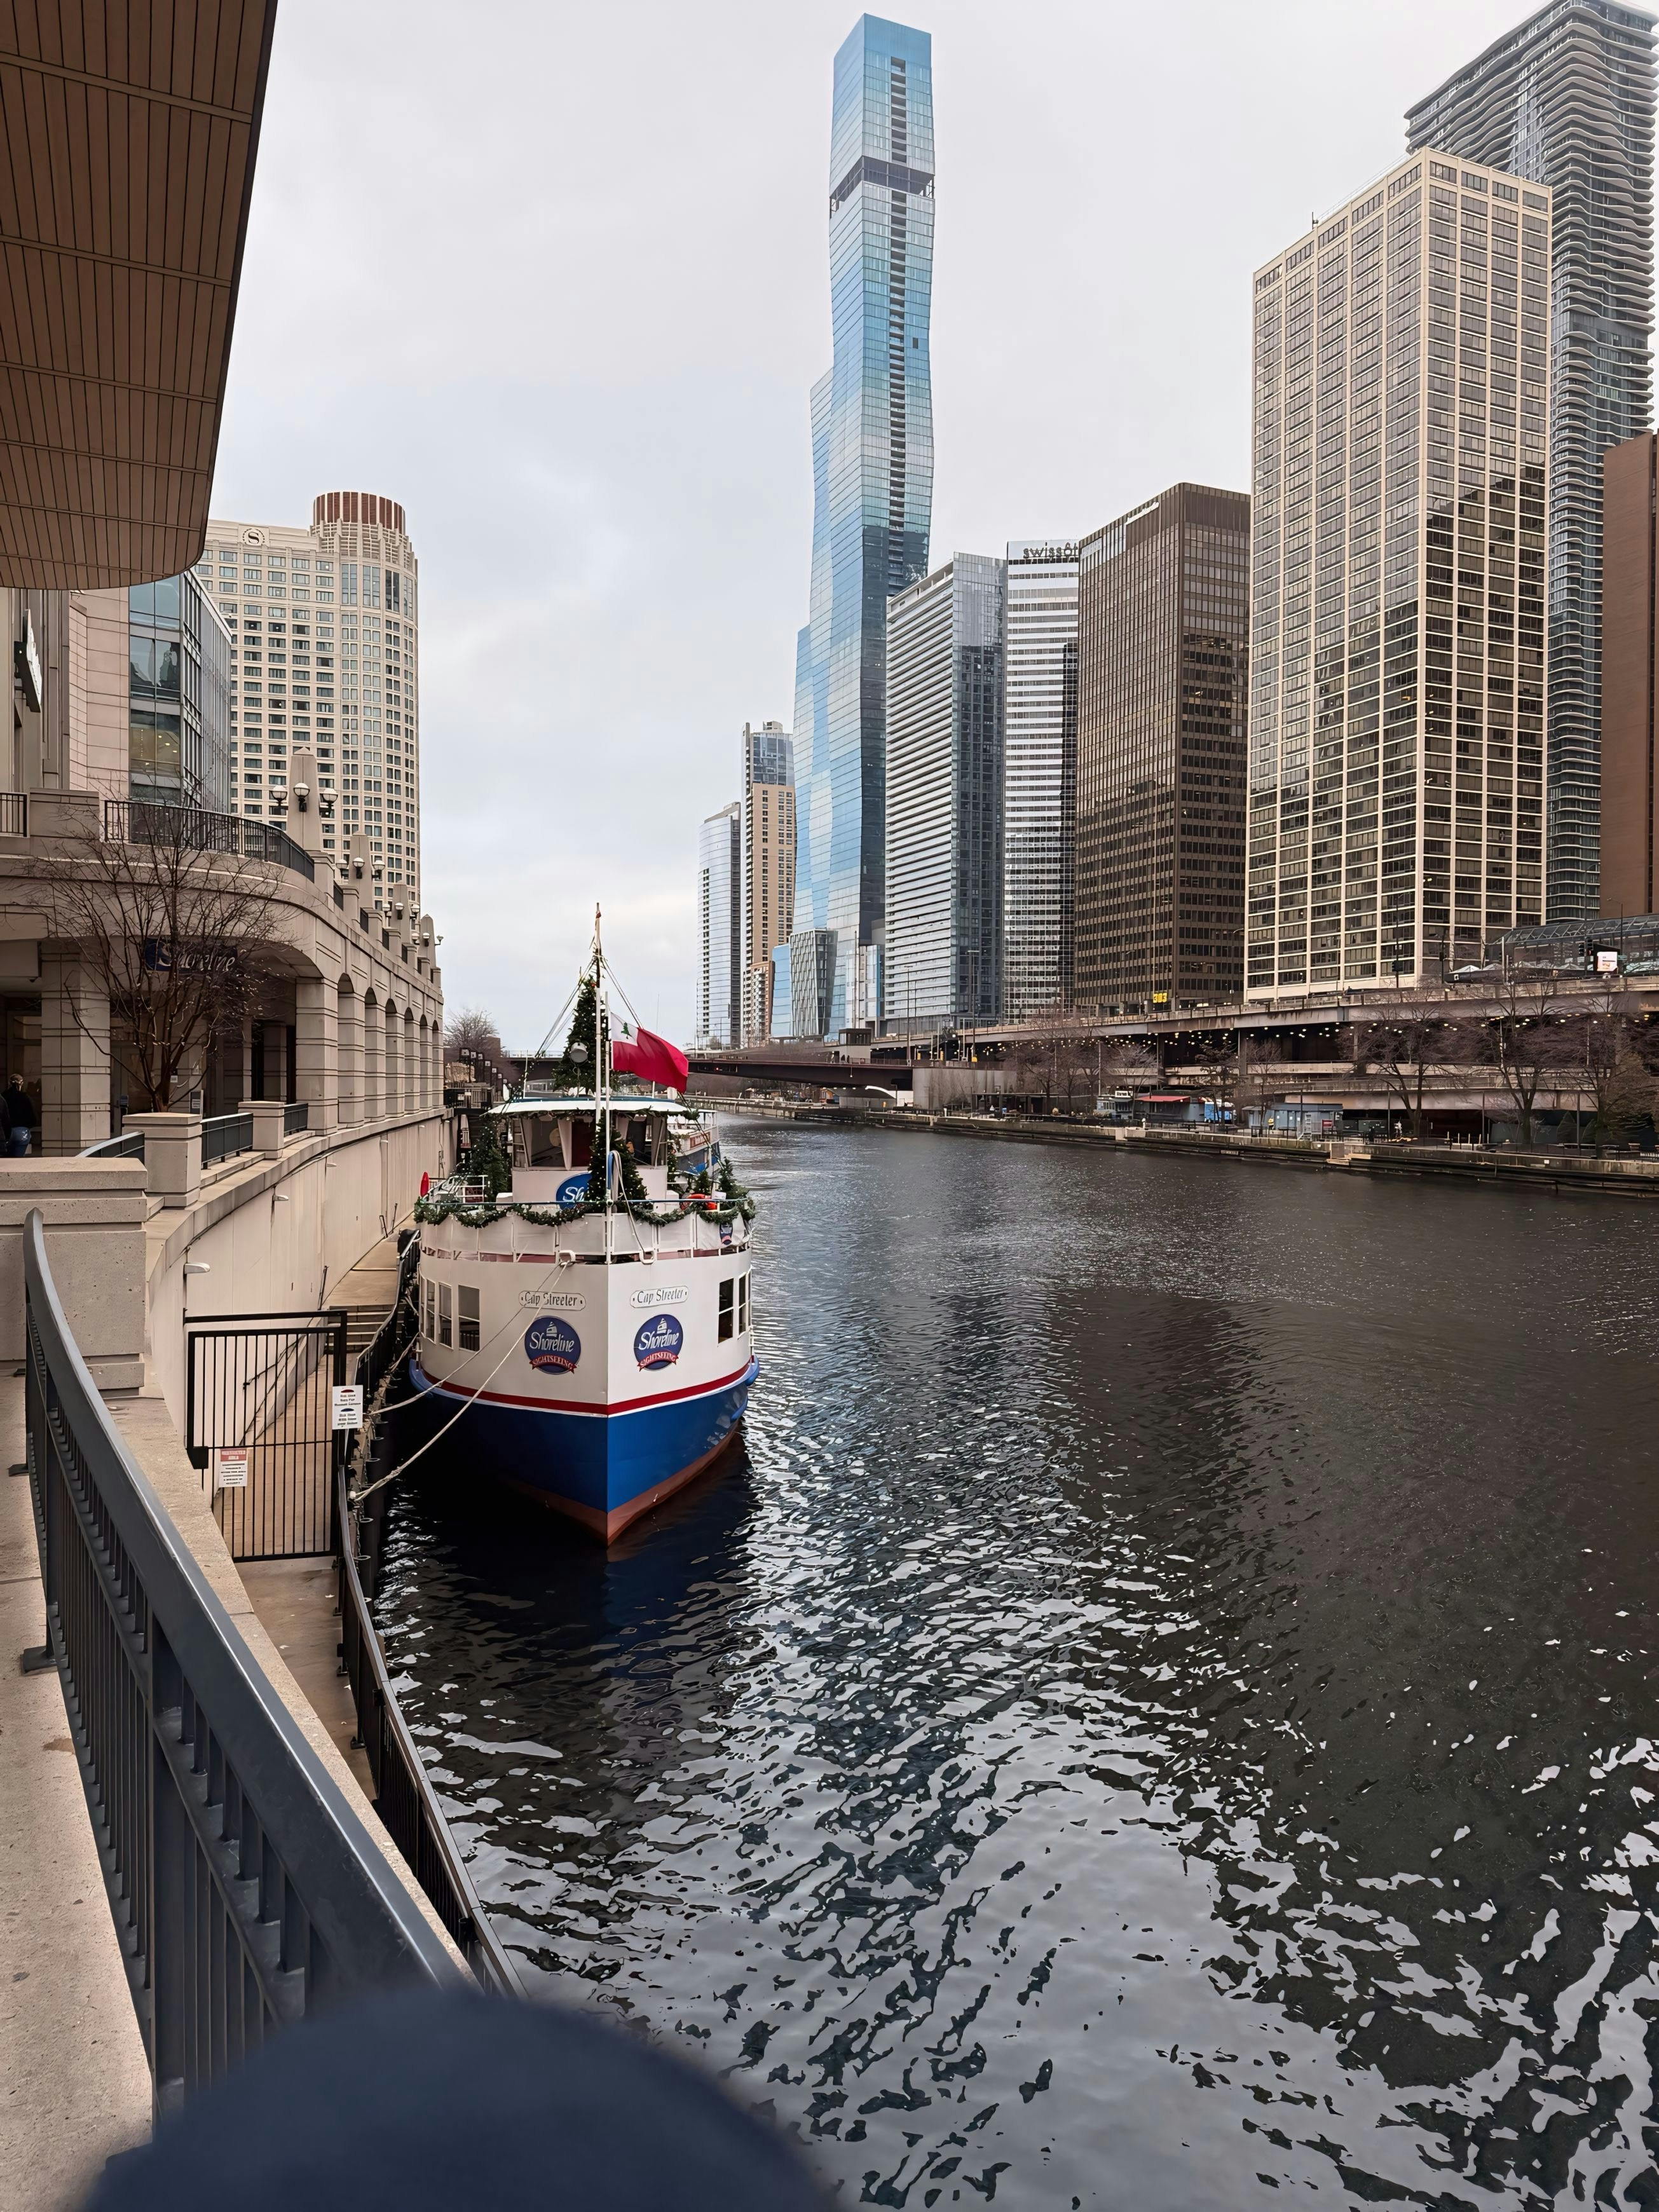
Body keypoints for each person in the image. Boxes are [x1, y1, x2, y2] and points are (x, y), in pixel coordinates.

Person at [6, 1075, 34, 1156]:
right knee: (18, 1159)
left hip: (7, 1131)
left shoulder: (3, 1097)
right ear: (22, 1084)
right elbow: (33, 1116)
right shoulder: (26, 1098)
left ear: (9, 1084)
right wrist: (28, 1126)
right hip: (22, 1130)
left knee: (5, 1160)